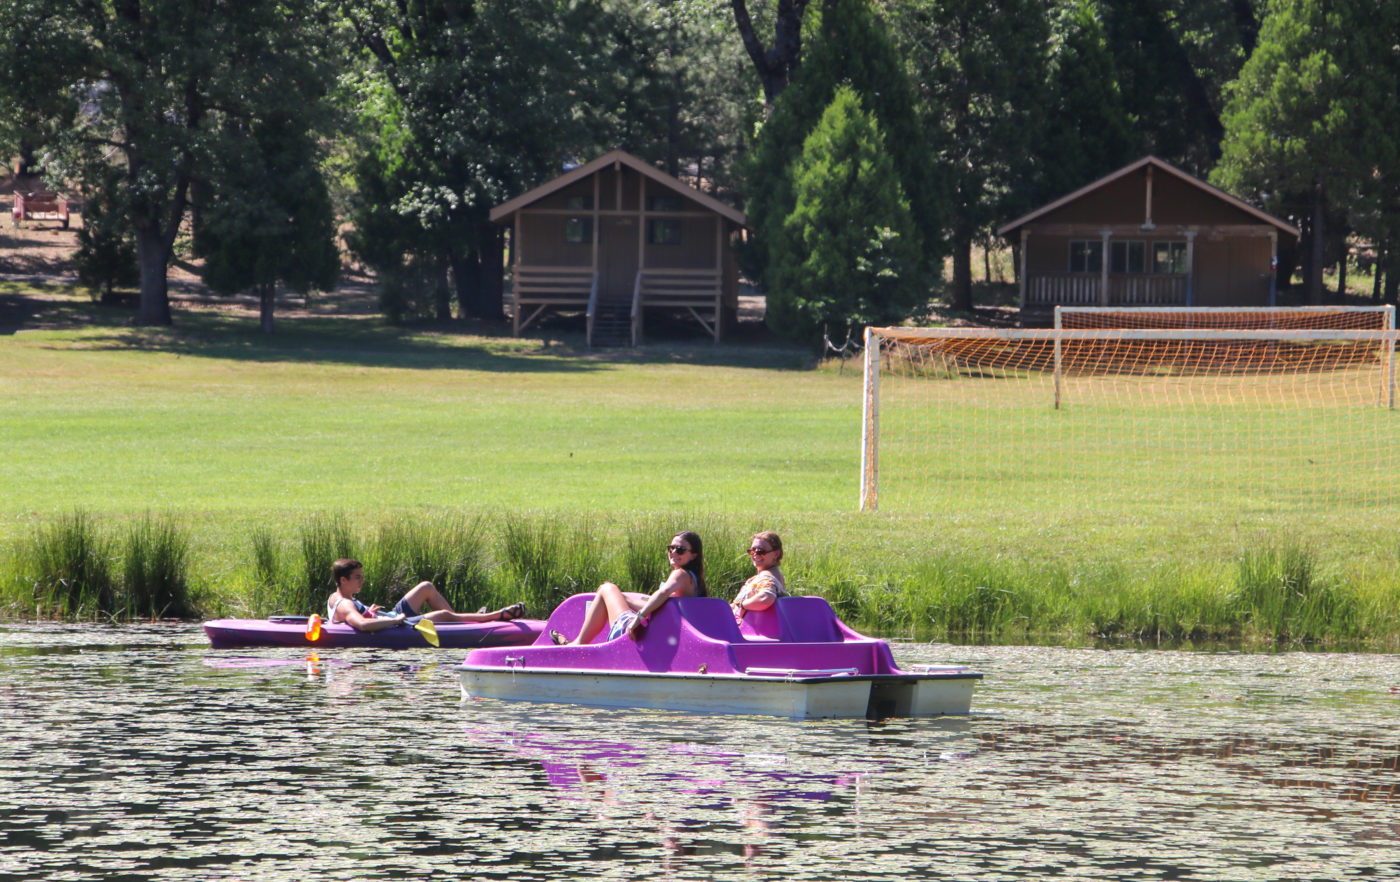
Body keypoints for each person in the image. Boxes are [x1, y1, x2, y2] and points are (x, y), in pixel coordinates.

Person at [551, 531, 705, 645]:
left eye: (680, 550)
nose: (673, 553)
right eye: (671, 548)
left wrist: (638, 618)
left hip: (638, 631)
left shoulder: (680, 574)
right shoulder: (694, 580)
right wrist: (623, 598)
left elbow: (663, 593)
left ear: (694, 555)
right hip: (660, 630)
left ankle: (577, 645)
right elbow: (662, 607)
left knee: (607, 588)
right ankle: (579, 643)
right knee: (611, 592)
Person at [326, 558, 525, 632]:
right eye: (357, 577)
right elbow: (362, 625)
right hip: (397, 624)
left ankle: (462, 621)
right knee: (443, 615)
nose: (362, 581)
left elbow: (363, 617)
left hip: (391, 617)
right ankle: (494, 616)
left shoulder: (344, 596)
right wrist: (395, 620)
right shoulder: (344, 604)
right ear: (343, 580)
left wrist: (370, 612)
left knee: (426, 587)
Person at [730, 531, 786, 622]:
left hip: (745, 629)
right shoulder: (769, 576)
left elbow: (765, 598)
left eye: (761, 551)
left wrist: (742, 605)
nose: (755, 554)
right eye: (752, 551)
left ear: (776, 554)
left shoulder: (767, 577)